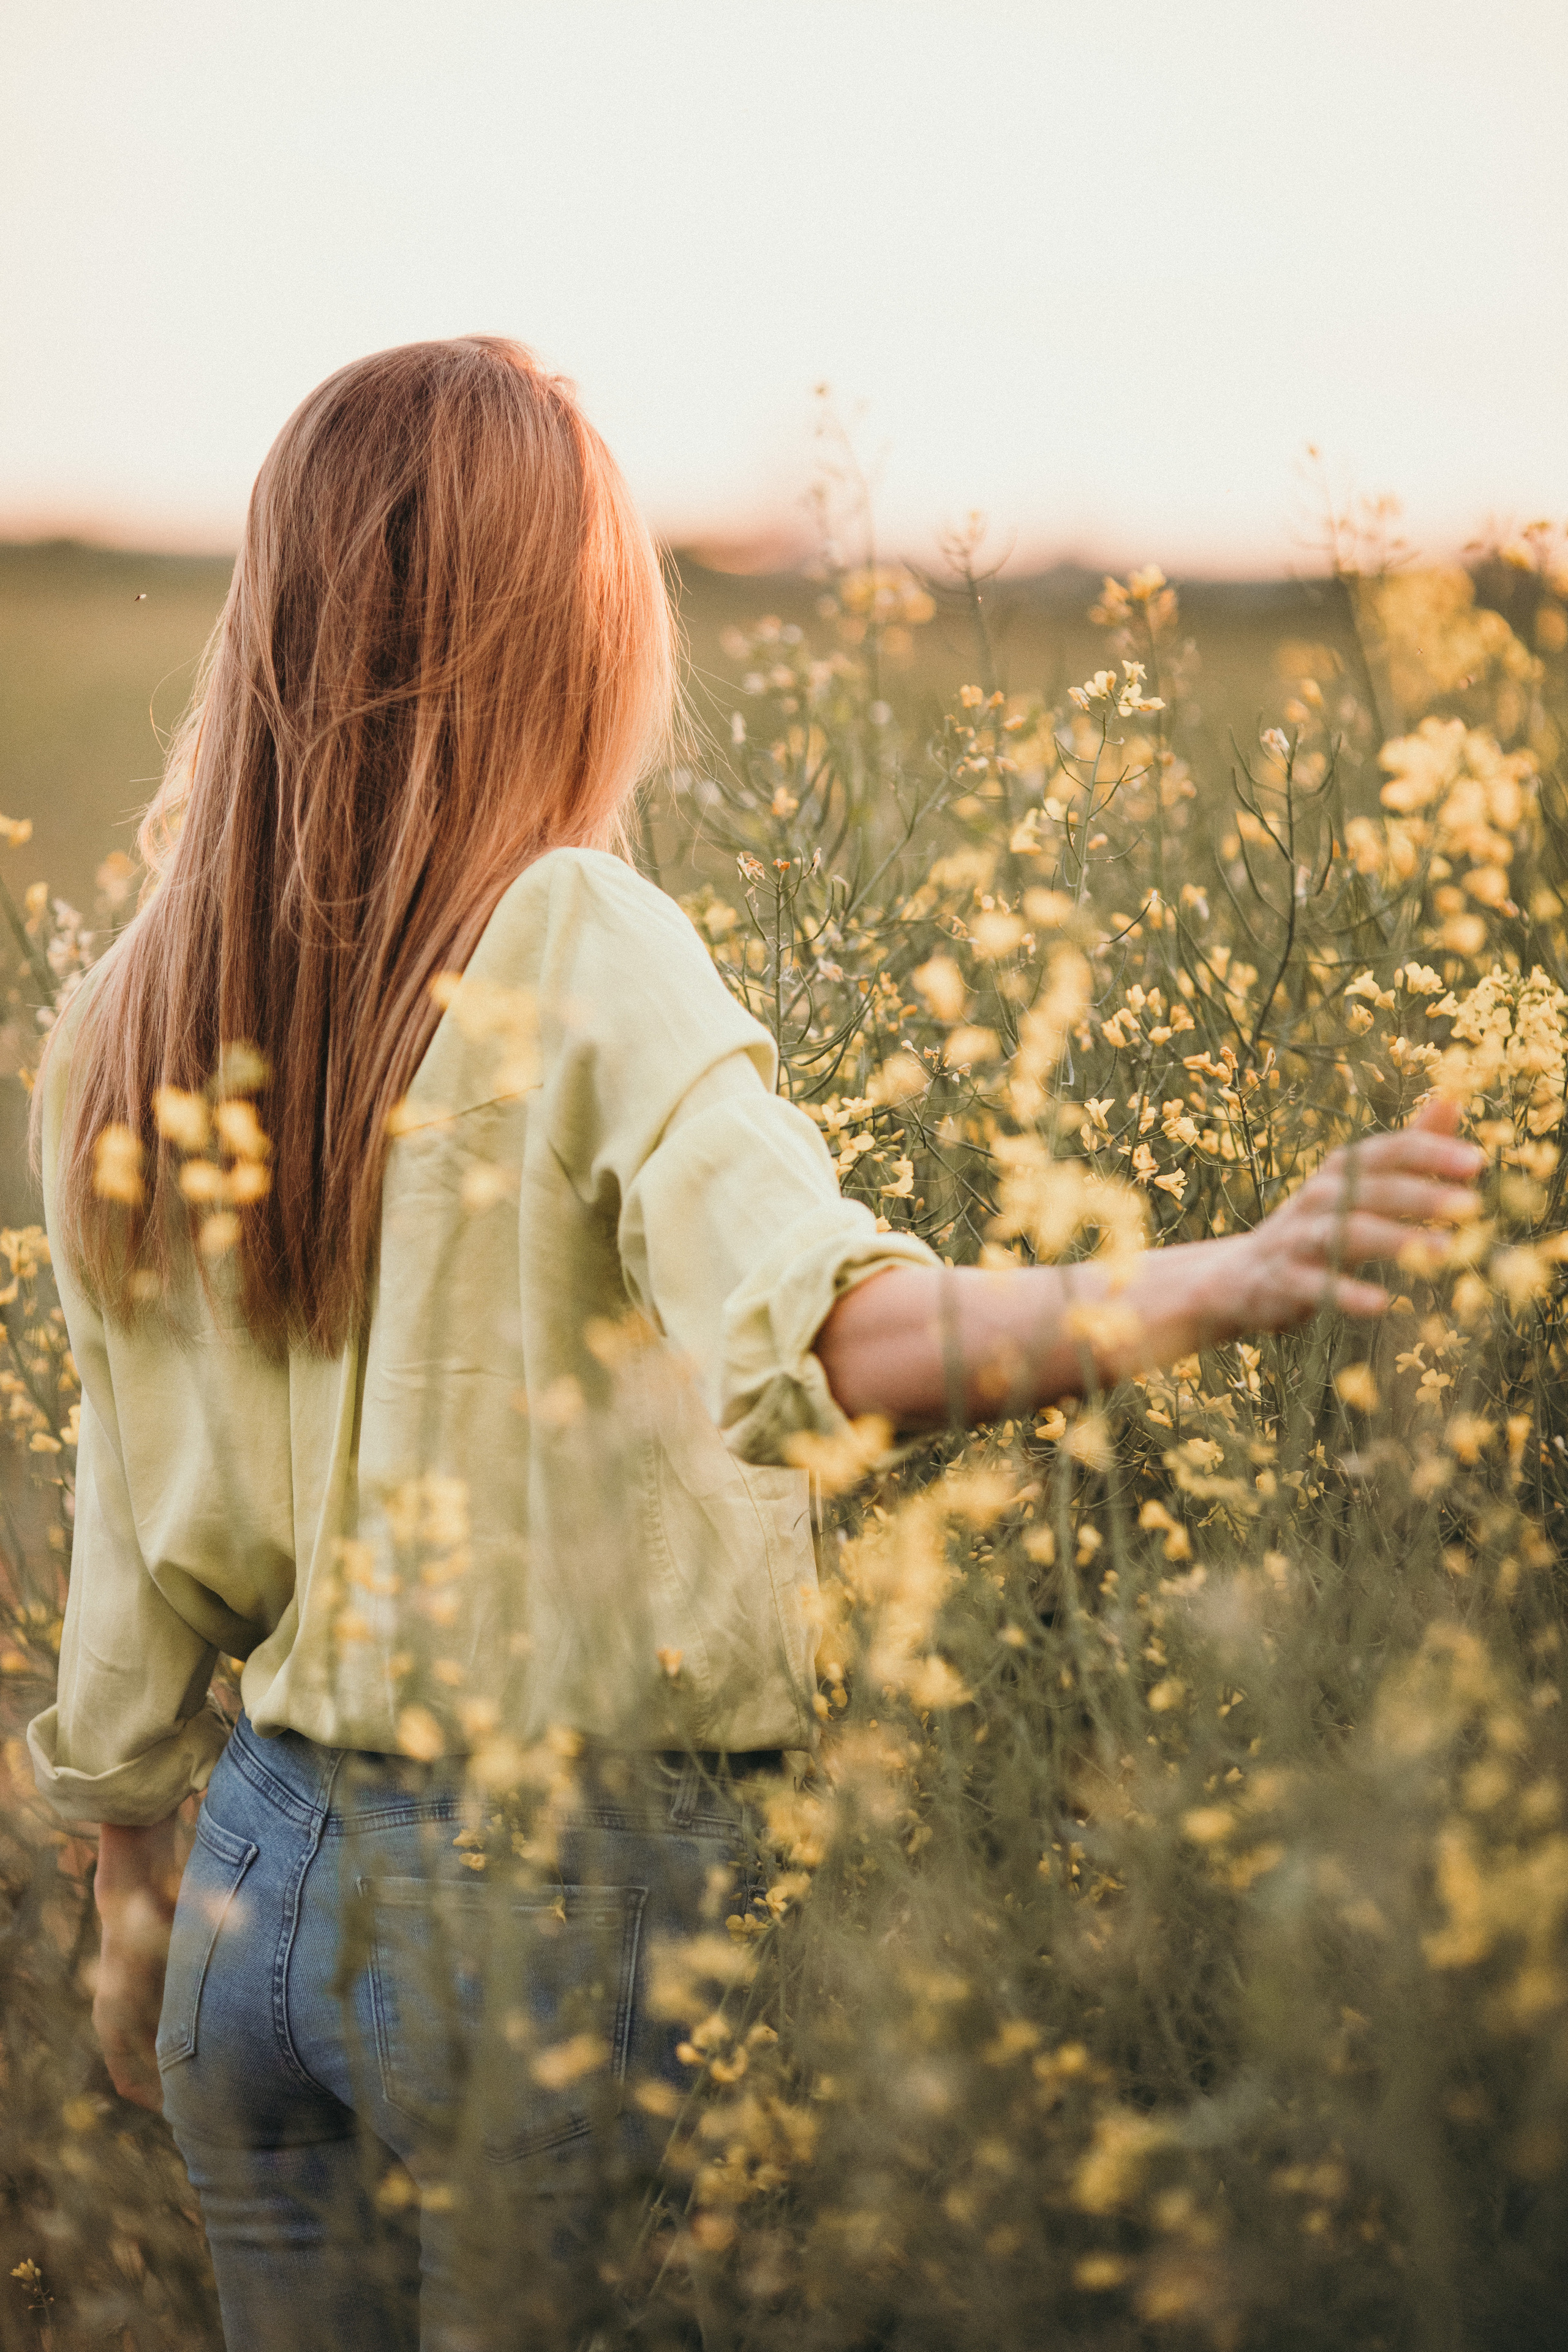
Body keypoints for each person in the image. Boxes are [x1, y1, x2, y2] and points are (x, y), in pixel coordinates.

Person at [27, 338, 1485, 2352]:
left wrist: (125, 1881)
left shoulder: (131, 1008)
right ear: (579, 632)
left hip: (249, 1895)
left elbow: (135, 1495)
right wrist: (1222, 1274)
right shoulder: (580, 936)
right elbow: (843, 1337)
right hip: (544, 1901)